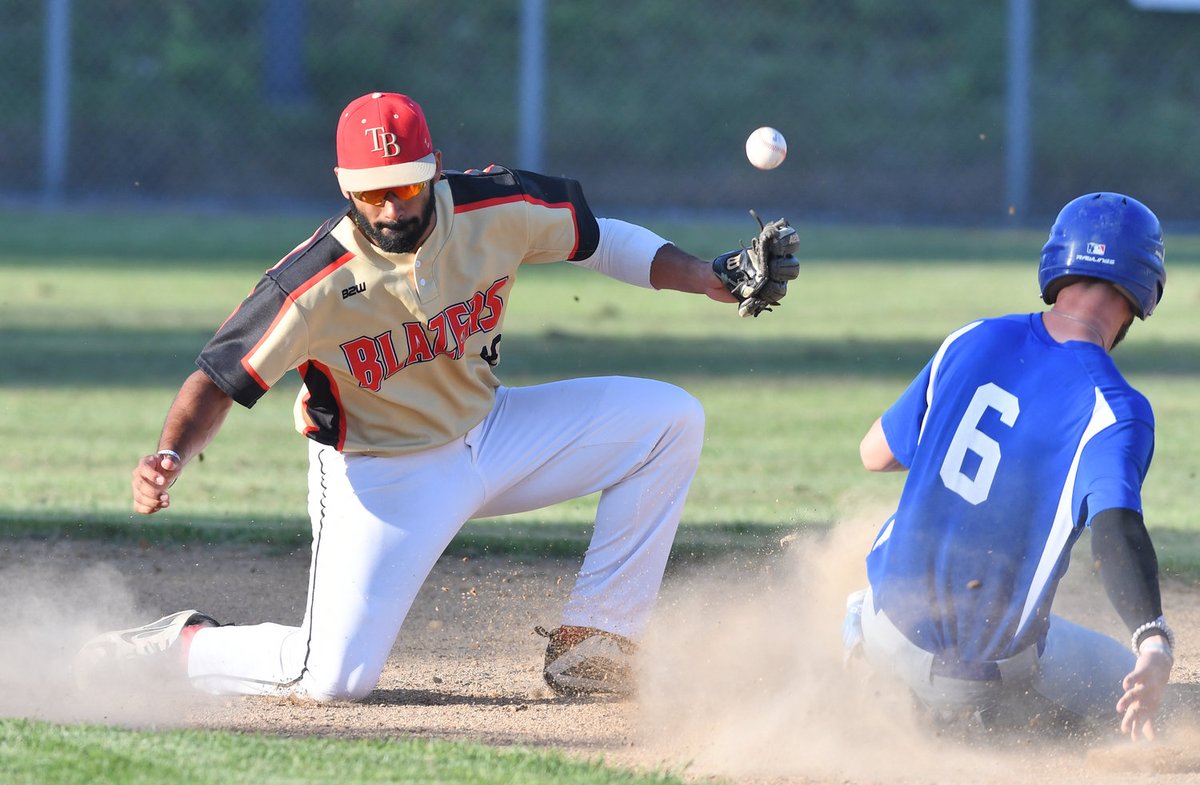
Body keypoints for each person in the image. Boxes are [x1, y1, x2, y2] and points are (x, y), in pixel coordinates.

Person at [74, 91, 795, 701]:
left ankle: (595, 644)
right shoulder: (312, 283)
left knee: (670, 422)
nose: (390, 207)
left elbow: (598, 239)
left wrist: (708, 275)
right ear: (343, 185)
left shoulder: (495, 207)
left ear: (435, 170)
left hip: (495, 430)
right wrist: (169, 451)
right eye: (371, 191)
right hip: (384, 477)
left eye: (406, 186)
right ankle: (181, 647)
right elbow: (218, 376)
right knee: (330, 677)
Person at [843, 192, 1174, 741]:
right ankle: (967, 719)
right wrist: (1153, 640)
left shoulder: (972, 337)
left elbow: (874, 454)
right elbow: (1115, 531)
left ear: (1056, 263)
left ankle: (858, 638)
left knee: (886, 544)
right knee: (1153, 694)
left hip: (885, 628)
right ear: (1145, 287)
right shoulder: (1115, 408)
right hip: (976, 680)